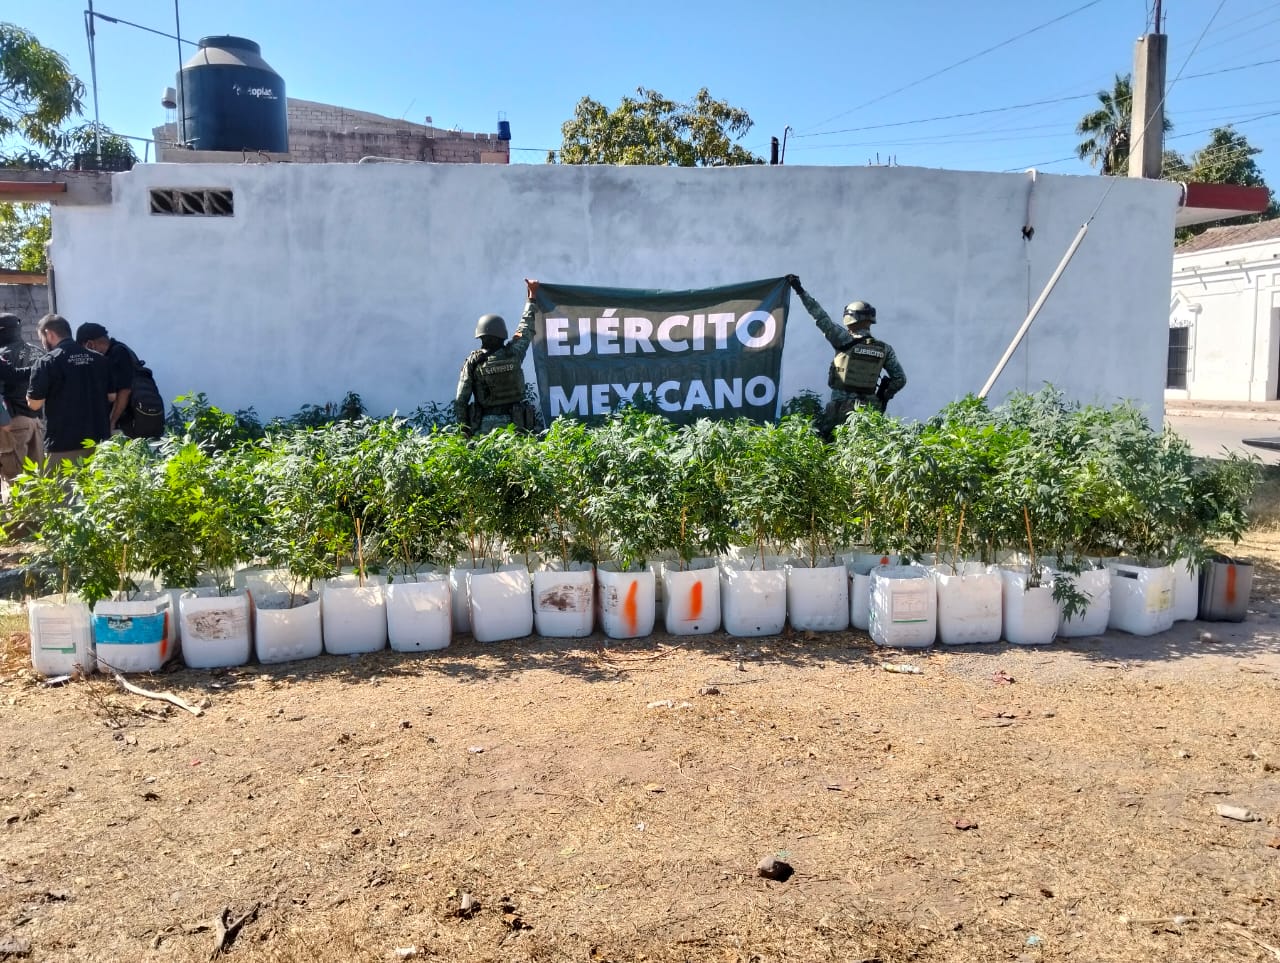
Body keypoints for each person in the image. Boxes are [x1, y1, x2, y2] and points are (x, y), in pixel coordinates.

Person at [786, 275, 906, 438]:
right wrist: (882, 396)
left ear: (849, 319)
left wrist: (799, 290)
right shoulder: (885, 349)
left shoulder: (843, 339)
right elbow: (900, 379)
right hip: (870, 411)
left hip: (840, 411)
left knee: (828, 448)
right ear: (870, 321)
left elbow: (820, 316)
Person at [454, 279, 540, 436]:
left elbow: (461, 400)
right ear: (502, 335)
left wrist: (464, 430)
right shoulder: (514, 353)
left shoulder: (473, 362)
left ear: (480, 337)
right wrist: (531, 296)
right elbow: (526, 327)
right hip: (517, 425)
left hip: (484, 429)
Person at [25, 314, 113, 467]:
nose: (43, 343)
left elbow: (34, 405)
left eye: (41, 338)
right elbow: (112, 396)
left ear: (48, 333)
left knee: (65, 490)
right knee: (97, 489)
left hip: (63, 444)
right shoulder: (100, 360)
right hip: (99, 441)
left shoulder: (47, 362)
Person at [0, 312, 46, 483]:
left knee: (15, 483)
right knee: (38, 482)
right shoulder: (38, 352)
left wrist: (3, 421)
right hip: (37, 423)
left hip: (12, 424)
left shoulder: (2, 354)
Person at [75, 322, 137, 435]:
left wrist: (111, 421)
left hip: (126, 422)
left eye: (83, 351)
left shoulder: (118, 353)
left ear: (89, 345)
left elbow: (124, 390)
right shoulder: (111, 354)